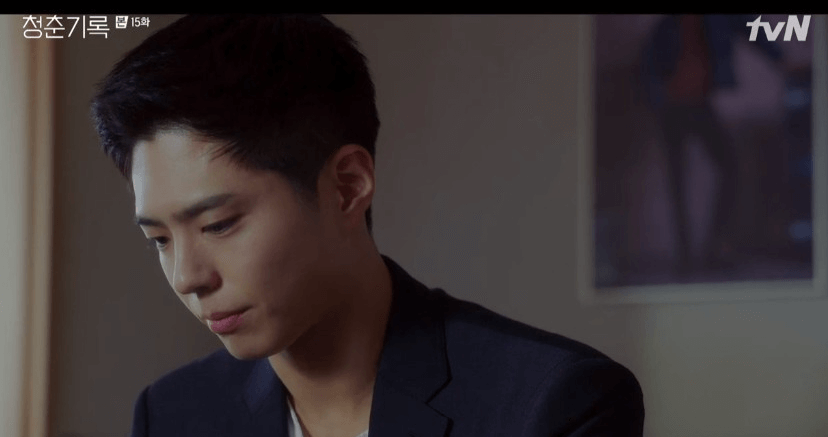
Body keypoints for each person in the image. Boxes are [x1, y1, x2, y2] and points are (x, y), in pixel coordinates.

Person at [91, 14, 644, 437]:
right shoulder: (172, 414)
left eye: (218, 224)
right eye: (159, 240)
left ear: (347, 186)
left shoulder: (553, 405)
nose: (187, 277)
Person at [642, 14, 784, 276]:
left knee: (729, 166)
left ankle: (715, 246)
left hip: (700, 104)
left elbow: (753, 31)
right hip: (671, 108)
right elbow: (647, 67)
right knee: (677, 179)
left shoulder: (718, 19)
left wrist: (780, 58)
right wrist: (657, 97)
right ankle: (685, 256)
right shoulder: (666, 26)